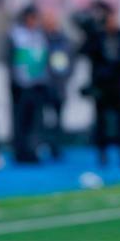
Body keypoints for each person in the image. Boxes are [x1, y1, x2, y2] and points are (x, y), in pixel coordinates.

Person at [82, 7, 120, 166]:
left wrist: (117, 63)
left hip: (118, 86)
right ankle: (102, 152)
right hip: (101, 86)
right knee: (101, 121)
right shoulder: (97, 37)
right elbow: (85, 51)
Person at [7, 5, 48, 163]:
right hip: (20, 85)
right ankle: (20, 151)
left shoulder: (39, 35)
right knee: (20, 120)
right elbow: (10, 59)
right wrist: (12, 81)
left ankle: (32, 150)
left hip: (37, 84)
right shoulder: (16, 34)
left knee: (35, 121)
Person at [43, 10, 75, 160]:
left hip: (60, 85)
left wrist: (66, 77)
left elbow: (71, 62)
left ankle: (56, 148)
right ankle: (44, 145)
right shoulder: (41, 40)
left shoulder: (64, 40)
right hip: (44, 85)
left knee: (58, 119)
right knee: (43, 118)